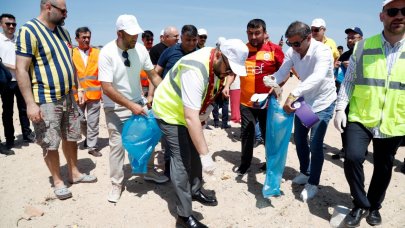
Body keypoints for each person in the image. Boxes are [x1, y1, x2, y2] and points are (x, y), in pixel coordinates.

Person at [152, 38, 248, 228]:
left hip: (190, 112)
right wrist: (206, 155)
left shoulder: (218, 62)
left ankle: (195, 190)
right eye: (229, 68)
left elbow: (210, 92)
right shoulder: (195, 70)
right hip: (170, 112)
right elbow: (189, 118)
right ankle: (184, 215)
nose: (230, 74)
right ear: (219, 55)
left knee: (194, 151)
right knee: (181, 161)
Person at [15, 0, 97, 200]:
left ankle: (74, 173)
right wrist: (30, 103)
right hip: (46, 99)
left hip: (69, 96)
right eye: (63, 11)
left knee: (72, 137)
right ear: (48, 7)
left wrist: (78, 88)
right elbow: (21, 69)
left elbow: (70, 62)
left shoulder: (63, 32)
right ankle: (58, 180)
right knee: (50, 142)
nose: (66, 15)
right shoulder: (29, 30)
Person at [334, 0, 405, 226]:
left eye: (404, 11)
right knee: (353, 158)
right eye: (393, 11)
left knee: (383, 168)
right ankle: (360, 203)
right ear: (382, 16)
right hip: (361, 116)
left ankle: (374, 206)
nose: (399, 16)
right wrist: (339, 108)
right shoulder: (363, 46)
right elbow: (350, 80)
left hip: (394, 119)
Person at [98, 14, 167, 203]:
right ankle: (116, 183)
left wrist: (168, 92)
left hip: (138, 102)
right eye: (131, 35)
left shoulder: (140, 49)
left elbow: (152, 75)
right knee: (118, 145)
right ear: (119, 33)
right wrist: (130, 105)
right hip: (115, 107)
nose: (135, 38)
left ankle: (149, 172)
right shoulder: (107, 52)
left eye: (137, 34)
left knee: (149, 138)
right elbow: (107, 87)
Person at [270, 21, 336, 202]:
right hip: (305, 101)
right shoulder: (293, 51)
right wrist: (269, 83)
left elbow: (318, 76)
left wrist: (294, 93)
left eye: (297, 44)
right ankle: (305, 172)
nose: (293, 47)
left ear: (309, 38)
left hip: (323, 102)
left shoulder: (322, 51)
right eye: (290, 44)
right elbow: (282, 72)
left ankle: (313, 182)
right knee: (300, 139)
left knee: (315, 143)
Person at [230, 19, 284, 176]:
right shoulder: (242, 51)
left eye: (257, 33)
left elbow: (285, 71)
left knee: (269, 135)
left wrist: (277, 87)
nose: (253, 37)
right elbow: (233, 70)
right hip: (246, 101)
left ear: (265, 32)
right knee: (247, 133)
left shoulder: (275, 50)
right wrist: (227, 86)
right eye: (250, 33)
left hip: (268, 102)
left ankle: (271, 164)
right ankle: (245, 164)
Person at [152, 24, 198, 178]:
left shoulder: (199, 54)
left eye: (193, 40)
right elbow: (155, 73)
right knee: (169, 141)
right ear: (181, 39)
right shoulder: (169, 52)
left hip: (190, 104)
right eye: (187, 40)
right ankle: (169, 169)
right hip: (169, 105)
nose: (191, 44)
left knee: (189, 138)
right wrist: (152, 95)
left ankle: (187, 170)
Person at [0, 13, 34, 149]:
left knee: (24, 109)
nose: (11, 26)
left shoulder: (19, 40)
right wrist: (15, 67)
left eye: (14, 24)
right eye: (8, 24)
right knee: (7, 111)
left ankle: (27, 135)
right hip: (5, 81)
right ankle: (9, 139)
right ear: (1, 25)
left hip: (21, 80)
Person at [72, 26, 102, 157]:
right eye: (83, 37)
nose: (86, 39)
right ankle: (88, 138)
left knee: (93, 122)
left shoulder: (97, 53)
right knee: (80, 120)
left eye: (88, 37)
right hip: (77, 95)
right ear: (77, 39)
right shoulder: (71, 53)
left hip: (94, 93)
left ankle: (92, 146)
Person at [140, 30, 154, 96]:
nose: (150, 42)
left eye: (151, 40)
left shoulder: (155, 51)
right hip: (142, 87)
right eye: (148, 40)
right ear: (142, 39)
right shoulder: (139, 52)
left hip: (153, 85)